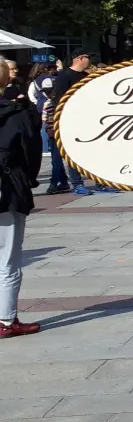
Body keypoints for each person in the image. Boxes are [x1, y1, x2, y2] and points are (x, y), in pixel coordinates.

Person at [0, 59, 43, 339]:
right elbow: (31, 150)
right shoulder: (17, 112)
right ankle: (6, 320)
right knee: (8, 258)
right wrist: (28, 177)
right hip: (7, 187)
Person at [46, 52, 91, 196]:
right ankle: (77, 183)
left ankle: (101, 182)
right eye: (88, 57)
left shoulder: (86, 76)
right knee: (73, 153)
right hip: (69, 119)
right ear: (80, 58)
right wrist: (56, 121)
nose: (90, 60)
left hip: (86, 119)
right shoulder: (65, 76)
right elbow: (57, 100)